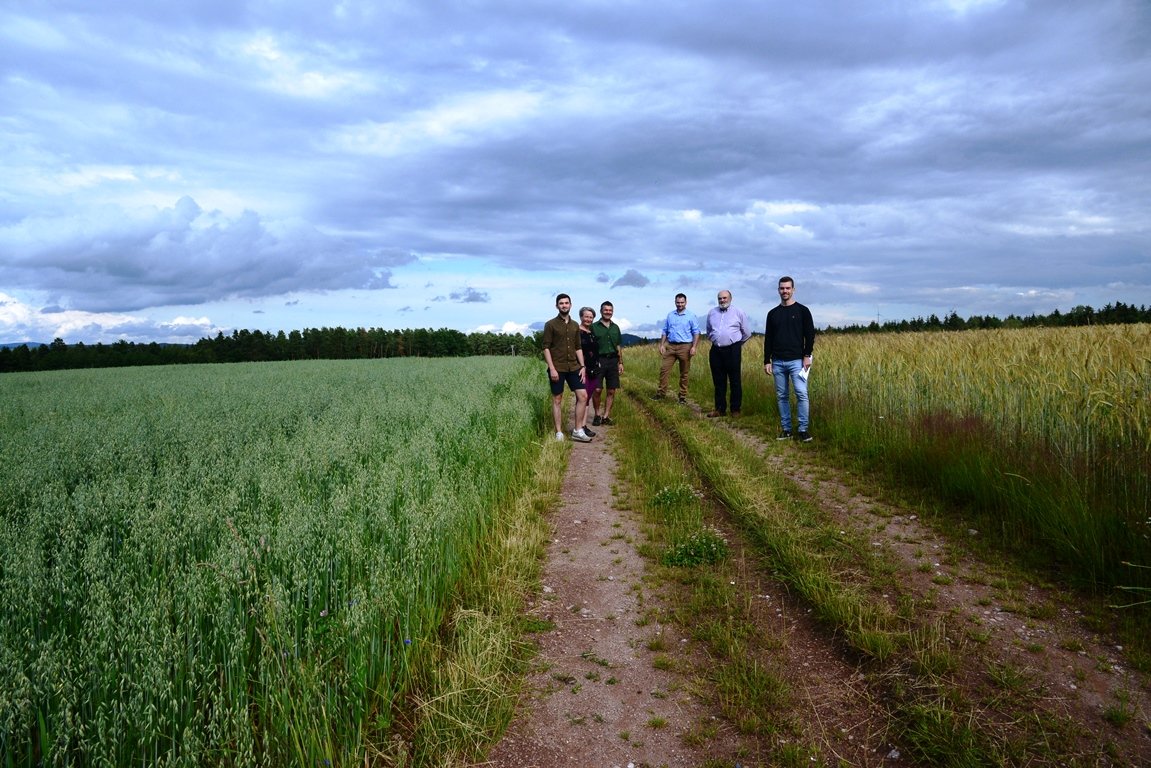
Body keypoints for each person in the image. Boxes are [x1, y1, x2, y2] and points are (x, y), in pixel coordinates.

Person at [764, 276, 816, 441]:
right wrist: (766, 361)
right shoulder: (772, 314)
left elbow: (810, 335)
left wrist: (807, 355)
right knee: (782, 396)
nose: (785, 291)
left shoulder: (803, 311)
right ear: (778, 290)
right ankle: (786, 430)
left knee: (801, 394)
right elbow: (768, 339)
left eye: (787, 288)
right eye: (782, 288)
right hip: (778, 362)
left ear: (793, 289)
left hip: (797, 361)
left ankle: (803, 430)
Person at [541, 294, 592, 442]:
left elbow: (578, 347)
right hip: (557, 367)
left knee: (583, 396)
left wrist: (582, 366)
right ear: (557, 306)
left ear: (570, 305)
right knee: (557, 399)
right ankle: (559, 432)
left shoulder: (575, 325)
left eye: (566, 303)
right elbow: (546, 347)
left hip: (574, 366)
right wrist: (552, 368)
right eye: (561, 303)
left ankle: (578, 430)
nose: (564, 305)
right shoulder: (550, 324)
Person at [705, 289, 751, 417]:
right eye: (720, 298)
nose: (722, 300)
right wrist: (716, 339)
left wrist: (736, 344)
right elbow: (708, 331)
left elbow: (747, 333)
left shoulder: (738, 312)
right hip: (716, 350)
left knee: (735, 380)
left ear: (730, 298)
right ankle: (720, 409)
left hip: (733, 350)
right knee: (718, 380)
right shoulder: (712, 312)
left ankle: (735, 409)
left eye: (724, 298)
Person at [654, 293, 700, 404]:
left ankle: (682, 397)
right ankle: (661, 394)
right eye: (678, 302)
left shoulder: (691, 316)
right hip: (670, 346)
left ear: (686, 302)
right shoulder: (670, 315)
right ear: (675, 302)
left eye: (682, 302)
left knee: (684, 373)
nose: (680, 304)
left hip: (685, 346)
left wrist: (694, 347)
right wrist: (662, 345)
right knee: (664, 370)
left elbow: (696, 332)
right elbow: (665, 331)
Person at [591, 300, 624, 426]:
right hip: (599, 360)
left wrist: (620, 362)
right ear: (601, 311)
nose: (608, 312)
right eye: (606, 310)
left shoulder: (615, 327)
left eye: (610, 310)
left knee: (611, 390)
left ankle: (606, 416)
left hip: (613, 361)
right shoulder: (594, 327)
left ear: (613, 312)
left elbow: (618, 346)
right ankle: (597, 415)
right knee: (597, 389)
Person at [577, 307, 600, 437]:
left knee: (588, 398)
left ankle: (583, 426)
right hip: (582, 369)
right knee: (582, 397)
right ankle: (579, 427)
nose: (588, 319)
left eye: (591, 317)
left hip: (593, 369)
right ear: (581, 317)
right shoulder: (577, 332)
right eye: (586, 316)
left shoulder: (591, 332)